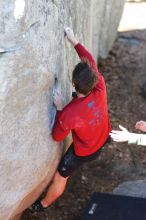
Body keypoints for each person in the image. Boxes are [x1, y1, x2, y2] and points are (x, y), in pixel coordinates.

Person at [31, 27, 111, 211]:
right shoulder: (99, 86)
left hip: (85, 151)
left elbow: (57, 137)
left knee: (61, 176)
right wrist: (74, 41)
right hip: (102, 136)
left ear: (74, 84)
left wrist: (59, 108)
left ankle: (41, 205)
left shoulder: (69, 113)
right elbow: (89, 60)